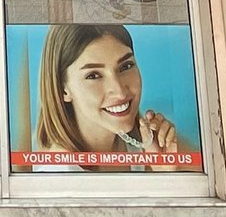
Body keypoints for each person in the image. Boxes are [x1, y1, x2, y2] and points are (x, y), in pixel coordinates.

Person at [33, 22, 182, 166]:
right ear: (62, 90)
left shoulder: (144, 145)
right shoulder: (61, 174)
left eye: (126, 66)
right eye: (93, 76)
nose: (120, 92)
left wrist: (164, 172)